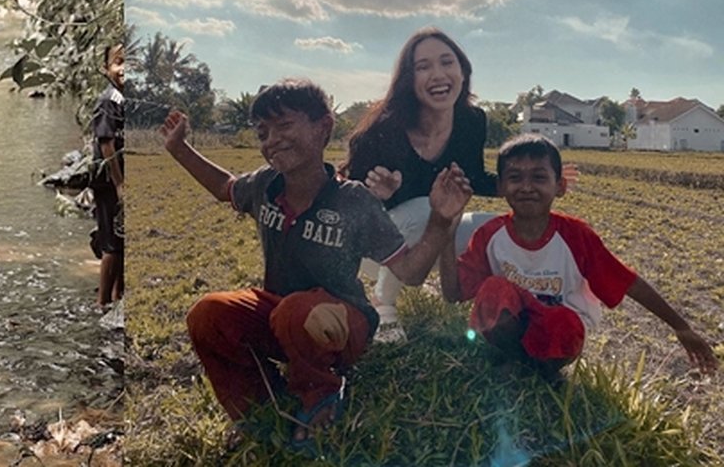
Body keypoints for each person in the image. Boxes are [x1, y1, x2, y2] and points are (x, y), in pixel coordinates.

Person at [159, 78, 473, 446]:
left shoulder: (353, 201)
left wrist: (439, 221)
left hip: (343, 326)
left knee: (299, 312)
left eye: (284, 125)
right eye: (262, 132)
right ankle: (259, 409)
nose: (272, 140)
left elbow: (411, 272)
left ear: (323, 126)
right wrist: (179, 149)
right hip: (282, 318)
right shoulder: (264, 185)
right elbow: (224, 187)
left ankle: (322, 395)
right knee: (207, 313)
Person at [345, 27, 576, 343]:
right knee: (428, 208)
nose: (438, 74)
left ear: (463, 71)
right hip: (378, 250)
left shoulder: (471, 120)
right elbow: (347, 210)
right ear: (408, 79)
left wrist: (529, 183)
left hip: (436, 232)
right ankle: (383, 304)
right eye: (423, 67)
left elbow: (475, 178)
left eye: (446, 62)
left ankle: (505, 316)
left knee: (498, 229)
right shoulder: (382, 131)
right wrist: (377, 196)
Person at [437, 134, 718, 379]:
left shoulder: (576, 237)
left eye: (538, 177)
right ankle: (511, 360)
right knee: (494, 290)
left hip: (557, 332)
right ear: (500, 187)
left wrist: (681, 328)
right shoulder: (490, 236)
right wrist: (446, 231)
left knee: (564, 322)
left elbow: (628, 282)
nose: (526, 186)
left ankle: (543, 371)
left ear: (559, 186)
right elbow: (453, 293)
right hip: (513, 325)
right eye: (514, 177)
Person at [91, 44, 125, 309]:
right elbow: (106, 144)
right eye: (118, 62)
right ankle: (102, 302)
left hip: (120, 180)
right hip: (108, 181)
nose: (124, 69)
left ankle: (118, 297)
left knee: (122, 241)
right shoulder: (109, 100)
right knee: (112, 244)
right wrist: (120, 183)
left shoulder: (124, 100)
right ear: (106, 69)